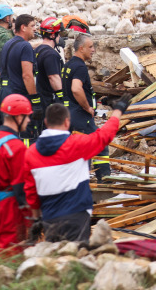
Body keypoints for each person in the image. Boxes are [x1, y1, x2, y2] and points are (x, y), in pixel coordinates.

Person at [24, 97, 130, 243]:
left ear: (46, 123)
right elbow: (105, 135)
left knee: (57, 261)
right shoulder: (77, 145)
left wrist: (36, 219)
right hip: (76, 216)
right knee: (77, 260)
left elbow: (30, 191)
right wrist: (118, 111)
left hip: (49, 218)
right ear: (67, 122)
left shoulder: (31, 153)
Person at [0, 94, 32, 253]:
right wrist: (31, 218)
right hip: (9, 207)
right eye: (27, 117)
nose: (29, 120)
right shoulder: (16, 147)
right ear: (19, 117)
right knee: (10, 252)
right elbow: (21, 188)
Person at [62, 34, 109, 181]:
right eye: (90, 47)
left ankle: (78, 181)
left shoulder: (68, 64)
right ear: (81, 49)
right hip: (80, 115)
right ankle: (105, 181)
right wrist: (88, 107)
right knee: (99, 145)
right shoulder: (80, 66)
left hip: (69, 112)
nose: (93, 50)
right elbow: (76, 89)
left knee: (79, 149)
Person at [0, 14, 41, 145]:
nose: (35, 29)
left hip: (4, 93)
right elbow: (27, 75)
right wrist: (35, 99)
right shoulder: (26, 46)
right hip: (18, 95)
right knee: (26, 134)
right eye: (32, 26)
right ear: (23, 27)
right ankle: (25, 162)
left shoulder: (8, 44)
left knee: (10, 132)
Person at [32, 17, 65, 139]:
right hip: (48, 99)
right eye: (58, 34)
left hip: (39, 97)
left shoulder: (38, 50)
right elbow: (53, 77)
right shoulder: (51, 54)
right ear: (52, 36)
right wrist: (61, 96)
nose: (59, 38)